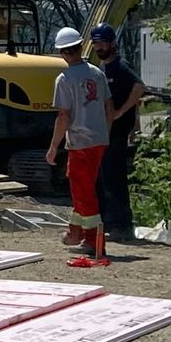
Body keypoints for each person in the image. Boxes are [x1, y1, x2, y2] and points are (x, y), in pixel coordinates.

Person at [45, 25, 111, 268]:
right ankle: (75, 231)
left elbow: (63, 116)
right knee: (81, 187)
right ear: (81, 47)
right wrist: (106, 135)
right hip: (98, 140)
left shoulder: (64, 79)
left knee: (84, 192)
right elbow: (108, 108)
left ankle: (94, 241)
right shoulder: (98, 73)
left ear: (62, 53)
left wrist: (53, 147)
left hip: (81, 141)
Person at [88, 21, 143, 244]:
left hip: (117, 134)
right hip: (103, 134)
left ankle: (122, 226)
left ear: (112, 44)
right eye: (96, 44)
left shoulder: (121, 67)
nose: (99, 48)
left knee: (114, 180)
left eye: (103, 44)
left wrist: (121, 112)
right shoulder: (101, 69)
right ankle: (107, 224)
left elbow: (139, 87)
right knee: (101, 181)